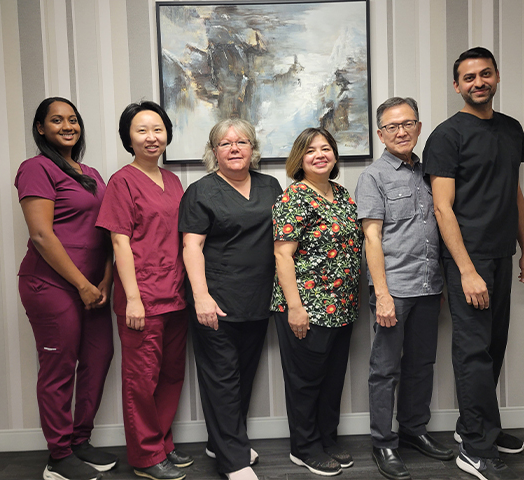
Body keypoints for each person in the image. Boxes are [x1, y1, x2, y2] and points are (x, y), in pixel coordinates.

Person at [423, 47, 524, 480]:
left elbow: (513, 192)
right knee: (472, 352)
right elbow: (442, 208)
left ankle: (477, 427)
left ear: (496, 77)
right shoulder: (447, 135)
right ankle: (473, 448)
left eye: (484, 74)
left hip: (502, 255)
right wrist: (467, 269)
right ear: (457, 86)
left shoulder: (511, 130)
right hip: (466, 260)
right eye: (468, 77)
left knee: (493, 348)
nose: (477, 82)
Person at [15, 97, 117, 480]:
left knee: (98, 359)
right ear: (41, 128)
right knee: (59, 368)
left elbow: (107, 230)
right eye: (56, 120)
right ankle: (58, 457)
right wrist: (81, 284)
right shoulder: (36, 168)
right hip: (51, 285)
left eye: (72, 119)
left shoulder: (89, 172)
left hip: (95, 286)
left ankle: (79, 441)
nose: (67, 126)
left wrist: (104, 280)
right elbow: (41, 235)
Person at [355, 97, 454, 480]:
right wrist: (381, 294)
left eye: (408, 123)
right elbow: (372, 239)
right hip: (393, 288)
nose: (401, 131)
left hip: (430, 287)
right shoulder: (373, 177)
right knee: (385, 370)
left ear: (418, 126)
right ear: (380, 133)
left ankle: (414, 430)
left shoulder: (432, 172)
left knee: (422, 365)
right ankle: (383, 441)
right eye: (392, 126)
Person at [179, 119, 282, 480]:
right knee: (221, 379)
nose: (234, 148)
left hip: (257, 299)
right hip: (216, 301)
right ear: (214, 152)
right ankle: (234, 460)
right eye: (225, 143)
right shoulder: (200, 191)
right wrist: (201, 296)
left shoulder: (271, 186)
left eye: (241, 142)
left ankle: (221, 442)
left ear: (253, 148)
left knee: (243, 377)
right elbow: (191, 246)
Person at [96, 101, 191, 480]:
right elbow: (119, 243)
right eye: (141, 130)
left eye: (158, 129)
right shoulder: (122, 181)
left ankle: (163, 444)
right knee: (141, 380)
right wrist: (132, 298)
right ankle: (146, 457)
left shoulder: (173, 181)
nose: (152, 137)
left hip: (176, 294)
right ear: (128, 138)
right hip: (143, 298)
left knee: (170, 375)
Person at [271, 127, 363, 477]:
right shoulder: (293, 197)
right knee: (305, 379)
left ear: (335, 156)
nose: (319, 155)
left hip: (342, 305)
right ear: (300, 159)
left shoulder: (342, 195)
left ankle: (326, 437)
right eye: (310, 151)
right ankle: (304, 447)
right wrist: (295, 307)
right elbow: (283, 256)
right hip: (306, 304)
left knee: (332, 378)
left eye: (326, 148)